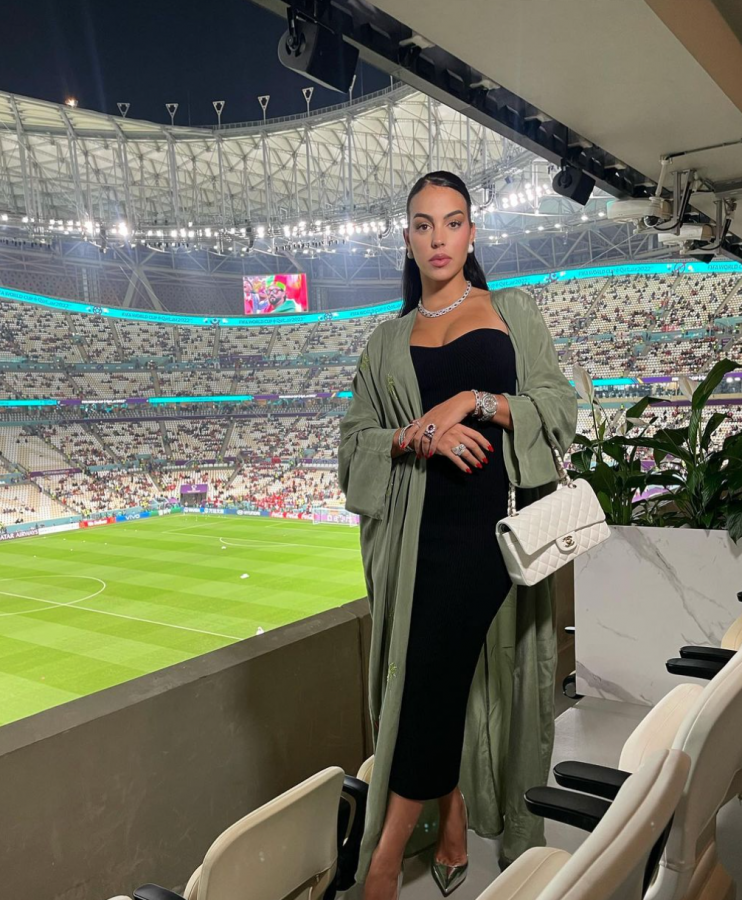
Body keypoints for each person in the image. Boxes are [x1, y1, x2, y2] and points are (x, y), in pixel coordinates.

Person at [337, 170, 578, 900]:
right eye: (423, 224)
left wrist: (473, 402)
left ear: (472, 234)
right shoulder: (383, 344)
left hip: (494, 533)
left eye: (452, 222)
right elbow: (353, 448)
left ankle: (380, 863)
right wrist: (420, 440)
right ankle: (451, 819)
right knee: (436, 683)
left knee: (436, 675)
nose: (438, 238)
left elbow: (558, 406)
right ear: (407, 240)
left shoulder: (512, 313)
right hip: (415, 544)